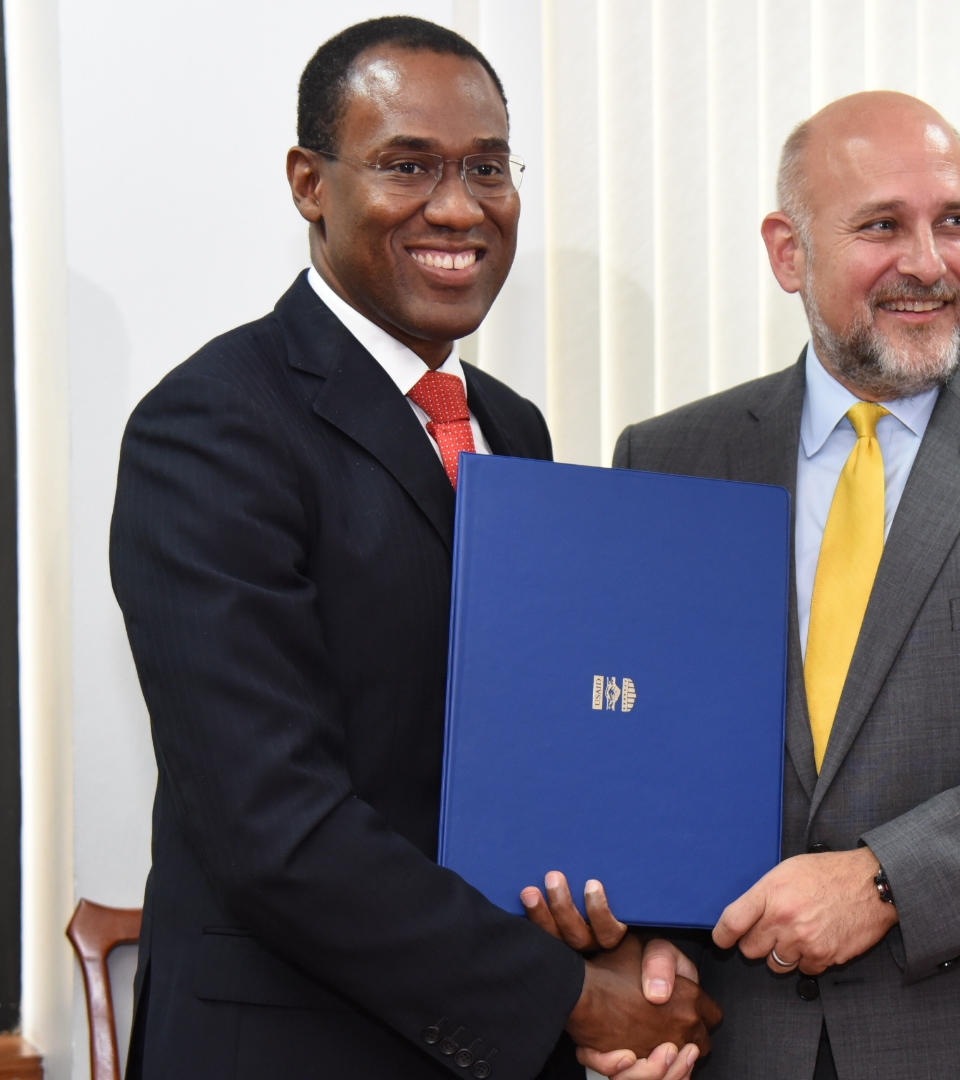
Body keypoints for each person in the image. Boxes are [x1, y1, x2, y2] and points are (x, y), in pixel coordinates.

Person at [535, 90, 960, 1078]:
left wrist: (888, 880)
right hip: (741, 1046)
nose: (929, 264)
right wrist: (631, 957)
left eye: (955, 222)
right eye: (881, 226)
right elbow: (645, 757)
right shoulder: (669, 459)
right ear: (788, 251)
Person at [109, 17, 717, 1080]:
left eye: (487, 166)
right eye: (408, 166)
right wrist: (572, 1001)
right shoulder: (211, 427)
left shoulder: (511, 426)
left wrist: (636, 944)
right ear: (310, 183)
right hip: (293, 1046)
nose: (458, 206)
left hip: (487, 1045)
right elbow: (275, 828)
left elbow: (536, 753)